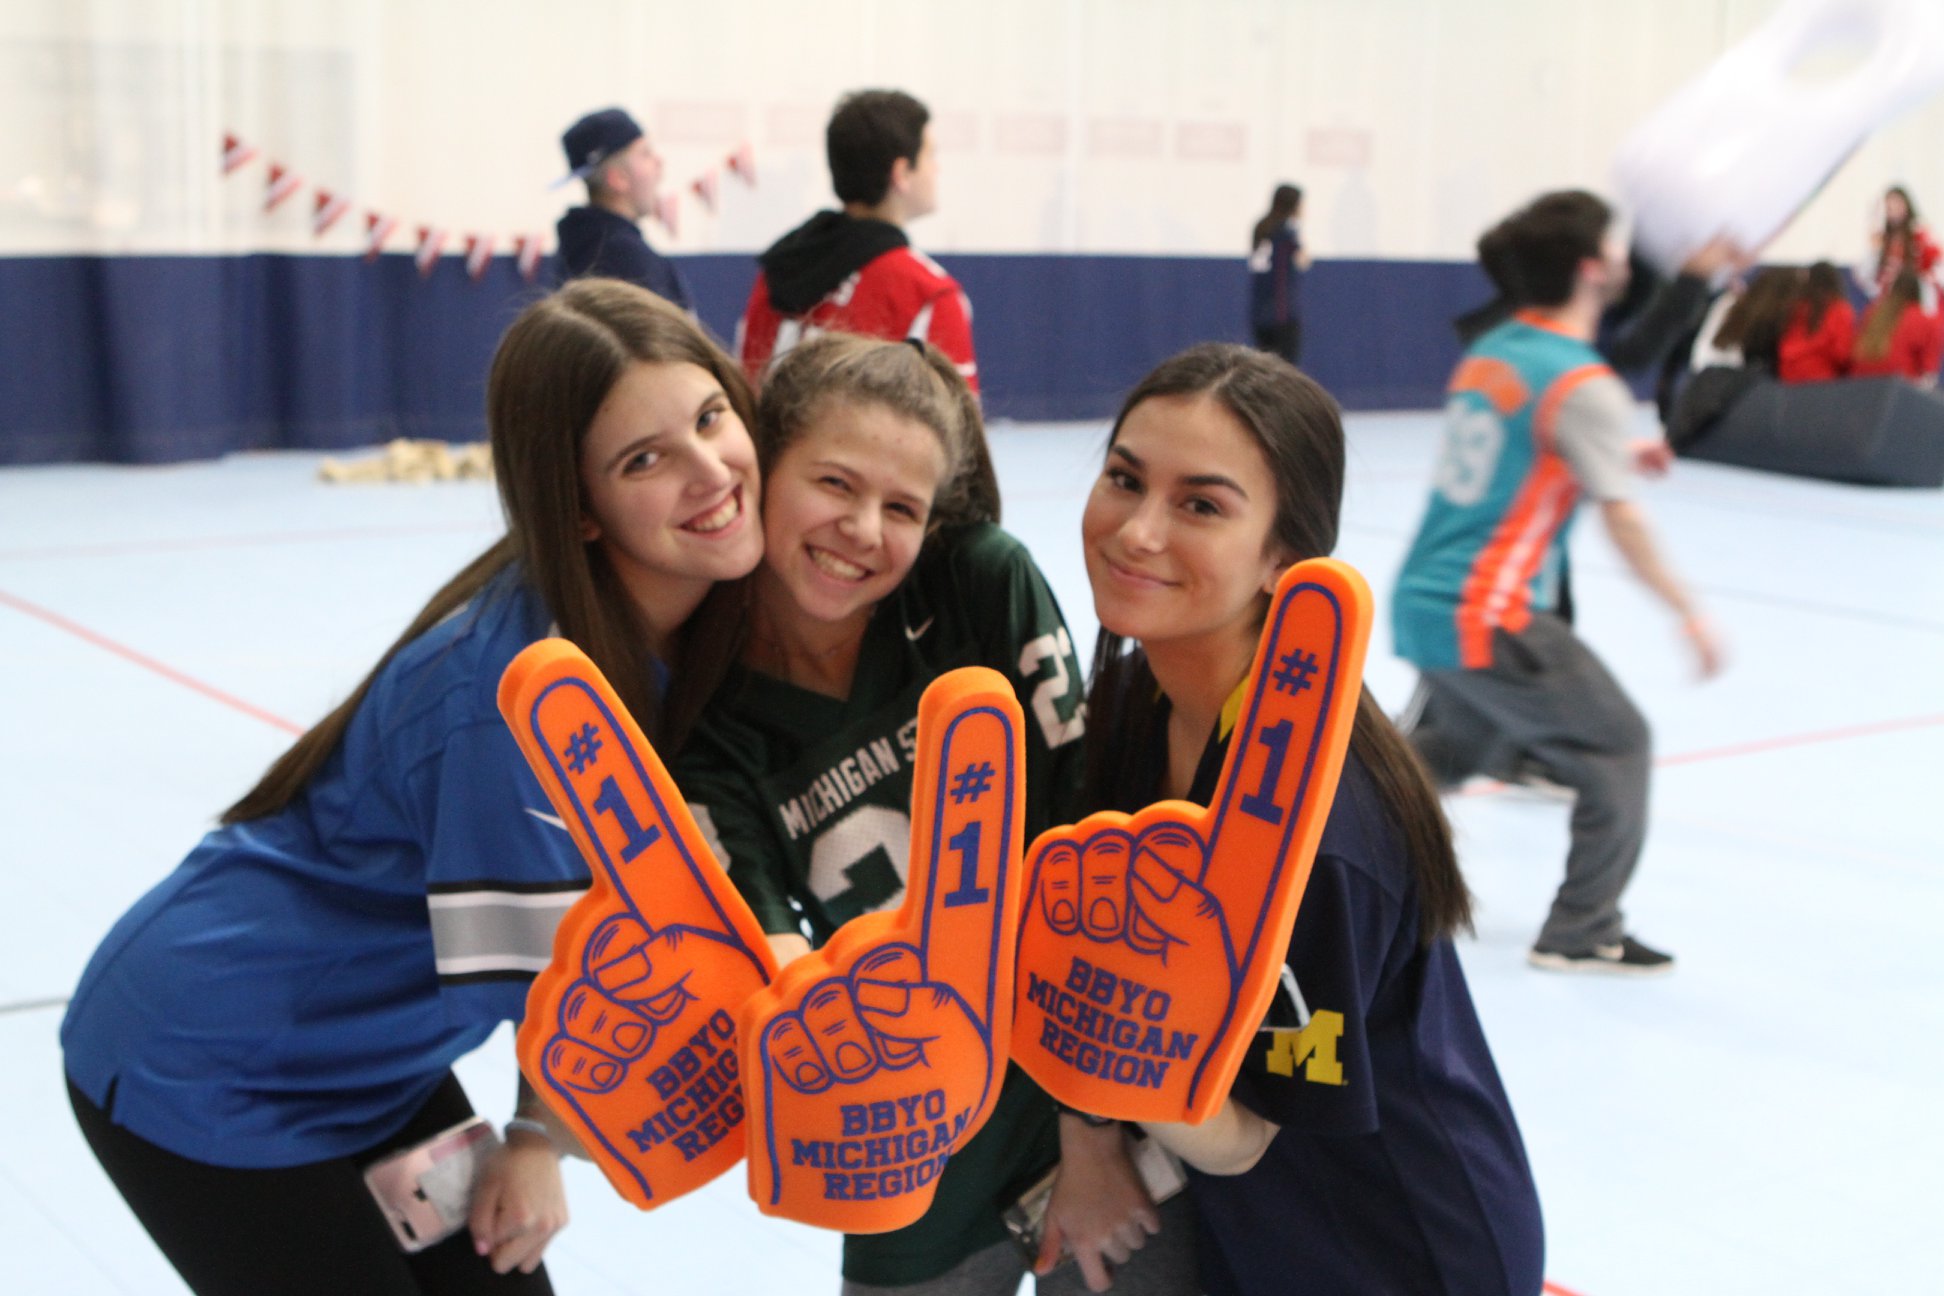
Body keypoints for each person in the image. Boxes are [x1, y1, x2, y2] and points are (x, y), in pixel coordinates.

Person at [59, 281, 764, 1296]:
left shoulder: (691, 619)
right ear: (577, 507)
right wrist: (537, 1137)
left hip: (374, 1061)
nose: (712, 471)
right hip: (211, 1057)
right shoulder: (509, 699)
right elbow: (567, 989)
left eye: (710, 418)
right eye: (643, 460)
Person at [675, 334, 1195, 1295]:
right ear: (764, 466)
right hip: (904, 1141)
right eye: (835, 483)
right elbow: (773, 961)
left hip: (1084, 1098)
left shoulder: (978, 584)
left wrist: (1089, 1136)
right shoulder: (709, 717)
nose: (862, 530)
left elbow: (1090, 850)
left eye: (902, 508)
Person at [1069, 343, 1542, 1296]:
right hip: (1266, 1226)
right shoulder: (1134, 698)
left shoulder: (1321, 832)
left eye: (1201, 506)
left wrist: (1072, 1035)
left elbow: (1244, 1135)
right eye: (1125, 479)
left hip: (1405, 1245)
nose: (1137, 532)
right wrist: (1086, 1149)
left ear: (1285, 556)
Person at [1394, 189, 1724, 976]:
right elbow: (1624, 521)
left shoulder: (1496, 349)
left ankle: (1310, 847)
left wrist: (1612, 453)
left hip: (1426, 600)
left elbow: (1518, 443)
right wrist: (1688, 611)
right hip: (1489, 610)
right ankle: (1582, 929)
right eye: (1613, 244)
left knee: (1447, 755)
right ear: (1592, 268)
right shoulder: (1581, 383)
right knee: (1619, 746)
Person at [736, 90, 977, 391]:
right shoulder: (930, 295)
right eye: (930, 155)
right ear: (902, 173)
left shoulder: (778, 269)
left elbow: (743, 390)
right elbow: (958, 419)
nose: (936, 168)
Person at [554, 107, 692, 310]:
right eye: (645, 154)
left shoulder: (582, 246)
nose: (659, 163)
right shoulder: (624, 259)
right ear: (618, 178)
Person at [1247, 183, 1310, 366]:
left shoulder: (1260, 228)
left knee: (1264, 368)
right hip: (1282, 313)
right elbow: (1303, 260)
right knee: (1285, 371)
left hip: (1259, 313)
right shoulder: (1286, 232)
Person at [1849, 267, 1941, 382]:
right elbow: (1928, 372)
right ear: (1918, 292)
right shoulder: (1924, 321)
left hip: (1860, 384)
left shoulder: (1873, 312)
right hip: (1899, 386)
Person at [1777, 261, 1856, 382]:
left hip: (1787, 378)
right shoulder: (1839, 309)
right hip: (1823, 382)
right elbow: (1842, 354)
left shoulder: (1795, 309)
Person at [1860, 183, 1939, 300]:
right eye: (1889, 206)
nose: (1893, 209)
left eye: (1897, 204)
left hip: (1914, 296)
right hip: (1888, 298)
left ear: (1906, 205)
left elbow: (1934, 263)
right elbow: (1865, 277)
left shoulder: (1919, 232)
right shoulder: (1881, 239)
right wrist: (1874, 250)